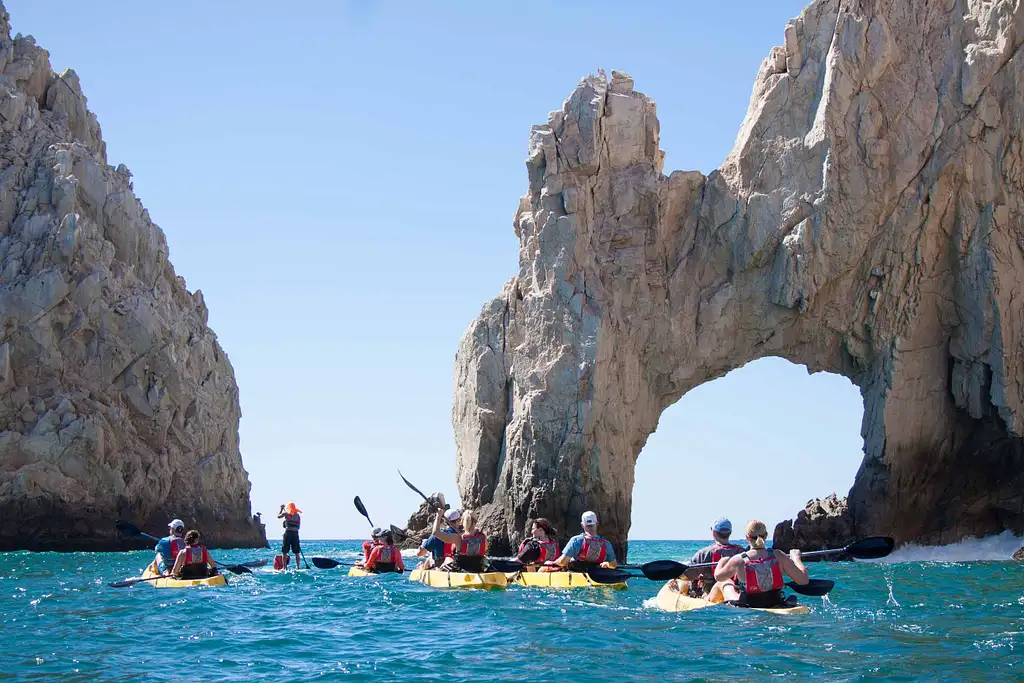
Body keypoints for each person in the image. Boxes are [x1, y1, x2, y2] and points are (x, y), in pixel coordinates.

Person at [709, 520, 809, 608]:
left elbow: (718, 577)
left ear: (747, 537)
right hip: (775, 601)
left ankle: (706, 599)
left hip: (747, 604)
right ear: (766, 536)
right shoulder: (778, 555)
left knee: (723, 582)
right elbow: (803, 581)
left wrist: (721, 562)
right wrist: (796, 558)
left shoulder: (739, 559)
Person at [687, 517, 745, 594]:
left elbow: (689, 575)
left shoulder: (704, 553)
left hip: (710, 593)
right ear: (730, 533)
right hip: (735, 592)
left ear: (714, 533)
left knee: (686, 584)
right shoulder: (741, 552)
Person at [547, 511, 616, 571]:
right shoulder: (606, 543)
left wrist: (552, 563)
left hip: (577, 573)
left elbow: (562, 562)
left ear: (582, 525)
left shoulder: (576, 540)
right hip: (597, 573)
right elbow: (613, 565)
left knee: (547, 564)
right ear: (597, 523)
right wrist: (607, 563)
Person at [277, 501, 302, 568]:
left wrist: (281, 509)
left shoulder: (286, 514)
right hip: (295, 534)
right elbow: (298, 527)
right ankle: (298, 567)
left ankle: (285, 567)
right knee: (297, 552)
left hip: (288, 533)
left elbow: (278, 516)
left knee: (284, 552)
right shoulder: (298, 516)